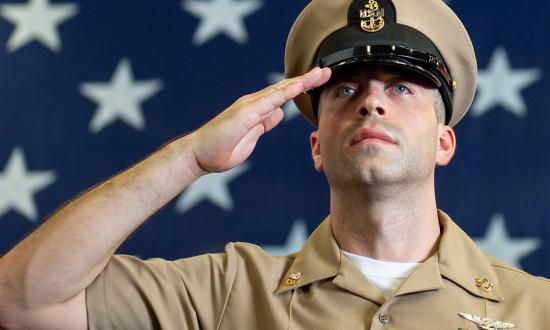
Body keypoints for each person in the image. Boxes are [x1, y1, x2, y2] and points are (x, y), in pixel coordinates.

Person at [1, 0, 549, 329]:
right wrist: (189, 159)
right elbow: (23, 301)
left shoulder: (536, 309)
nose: (371, 103)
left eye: (402, 88)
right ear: (316, 147)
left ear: (444, 143)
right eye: (345, 90)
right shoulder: (226, 294)